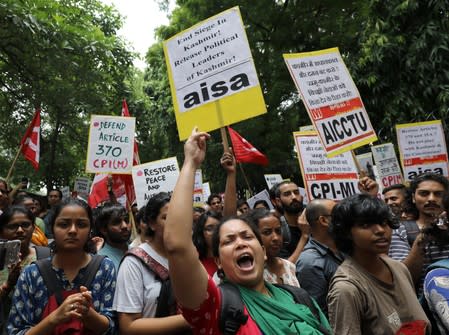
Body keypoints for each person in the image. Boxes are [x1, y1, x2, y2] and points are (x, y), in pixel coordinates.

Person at [164, 128, 331, 334]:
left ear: (261, 249)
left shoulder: (298, 297)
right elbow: (177, 245)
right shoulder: (218, 307)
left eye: (247, 236)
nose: (240, 243)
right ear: (217, 262)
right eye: (228, 241)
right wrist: (190, 163)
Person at [8, 198, 117, 334]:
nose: (72, 230)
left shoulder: (105, 268)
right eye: (64, 224)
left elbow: (113, 327)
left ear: (90, 230)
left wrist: (89, 314)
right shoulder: (31, 274)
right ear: (52, 229)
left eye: (81, 224)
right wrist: (54, 318)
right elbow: (15, 331)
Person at [327, 193, 430, 335]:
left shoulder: (398, 268)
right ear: (347, 232)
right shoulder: (347, 289)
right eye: (365, 225)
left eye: (383, 223)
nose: (381, 230)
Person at [113, 192, 191, 334]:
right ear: (152, 224)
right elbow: (128, 326)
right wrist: (189, 320)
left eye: (180, 216)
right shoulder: (134, 262)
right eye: (166, 217)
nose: (176, 222)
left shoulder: (190, 256)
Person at [388, 172, 449, 290]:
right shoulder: (400, 230)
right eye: (424, 194)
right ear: (413, 198)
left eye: (438, 194)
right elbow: (403, 278)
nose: (431, 199)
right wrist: (425, 235)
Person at [296, 199, 344, 316]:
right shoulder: (310, 262)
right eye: (338, 214)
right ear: (323, 220)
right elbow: (319, 313)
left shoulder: (345, 247)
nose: (344, 218)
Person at [0, 206, 37, 331]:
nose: (20, 230)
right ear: (1, 231)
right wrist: (8, 284)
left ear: (34, 227)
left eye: (25, 225)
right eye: (12, 226)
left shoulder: (46, 256)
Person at [247, 208, 299, 286]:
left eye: (278, 231)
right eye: (267, 232)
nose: (276, 238)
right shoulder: (250, 274)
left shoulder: (289, 266)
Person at [274, 181, 308, 264]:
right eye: (287, 194)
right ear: (278, 201)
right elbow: (286, 267)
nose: (293, 197)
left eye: (296, 193)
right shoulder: (278, 231)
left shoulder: (314, 222)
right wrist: (304, 235)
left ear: (301, 197)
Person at [95, 202, 132, 269]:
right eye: (117, 222)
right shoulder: (101, 261)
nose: (125, 226)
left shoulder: (137, 250)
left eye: (126, 220)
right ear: (104, 230)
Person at [192, 211, 222, 276]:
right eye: (210, 228)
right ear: (201, 233)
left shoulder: (230, 258)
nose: (215, 232)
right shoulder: (195, 263)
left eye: (219, 228)